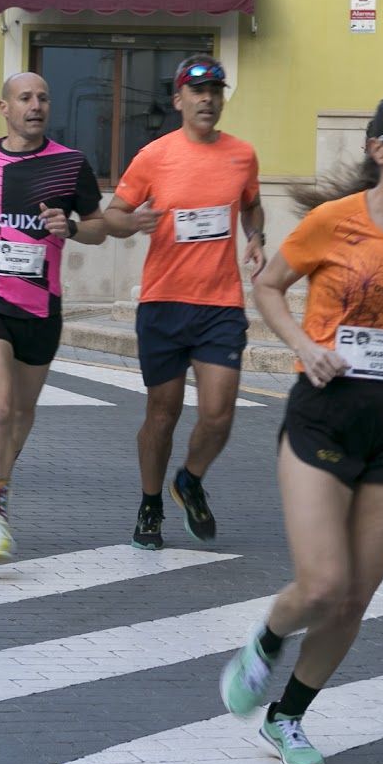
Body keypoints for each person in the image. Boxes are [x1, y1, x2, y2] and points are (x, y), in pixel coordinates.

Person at [225, 92, 383, 764]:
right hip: (324, 413)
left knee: (356, 597)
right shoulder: (332, 224)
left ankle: (287, 719)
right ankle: (268, 637)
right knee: (322, 585)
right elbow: (271, 287)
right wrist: (302, 349)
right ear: (380, 150)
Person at [102, 55, 263, 550]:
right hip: (164, 302)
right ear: (179, 101)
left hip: (220, 304)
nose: (208, 99)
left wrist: (255, 238)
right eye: (197, 92)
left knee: (219, 413)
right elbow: (113, 214)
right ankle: (151, 503)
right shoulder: (154, 155)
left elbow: (252, 205)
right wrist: (134, 223)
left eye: (215, 90)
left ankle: (189, 479)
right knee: (162, 412)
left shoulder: (242, 155)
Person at [0, 72, 108, 564]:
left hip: (41, 307)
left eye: (43, 97)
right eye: (25, 97)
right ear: (4, 107)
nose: (35, 105)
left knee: (22, 412)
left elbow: (99, 227)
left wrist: (73, 226)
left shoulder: (69, 164)